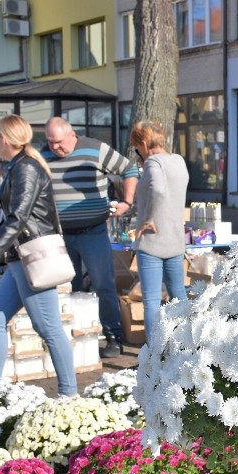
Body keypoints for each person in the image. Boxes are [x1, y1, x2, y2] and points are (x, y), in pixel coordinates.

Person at [0, 114, 77, 396]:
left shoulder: (26, 169)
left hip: (33, 258)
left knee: (48, 328)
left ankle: (69, 395)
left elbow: (17, 218)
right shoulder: (18, 166)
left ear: (3, 139)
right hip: (21, 258)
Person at [42, 117, 139, 358]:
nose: (55, 147)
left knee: (103, 284)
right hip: (60, 234)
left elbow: (130, 169)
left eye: (59, 142)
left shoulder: (95, 149)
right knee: (66, 287)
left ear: (72, 134)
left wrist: (127, 202)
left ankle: (113, 335)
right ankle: (73, 336)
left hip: (93, 230)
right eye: (51, 142)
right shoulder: (43, 154)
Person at [129, 121, 189, 342]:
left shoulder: (153, 162)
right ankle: (185, 343)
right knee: (179, 296)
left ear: (144, 144)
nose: (139, 154)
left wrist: (147, 219)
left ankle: (153, 352)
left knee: (152, 301)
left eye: (137, 149)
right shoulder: (179, 161)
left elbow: (158, 189)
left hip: (153, 241)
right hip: (175, 239)